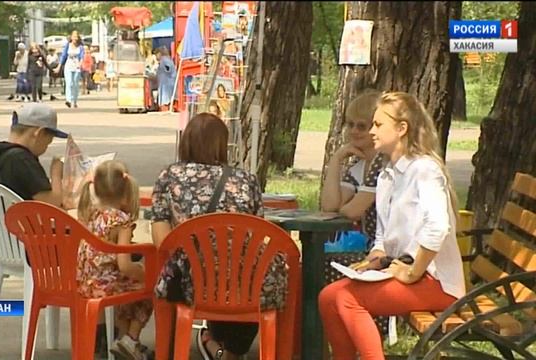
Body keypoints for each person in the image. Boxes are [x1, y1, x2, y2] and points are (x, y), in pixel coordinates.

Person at [318, 92, 465, 360]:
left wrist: (411, 272)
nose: (372, 131)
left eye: (377, 125)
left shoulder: (424, 169)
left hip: (436, 282)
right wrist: (374, 260)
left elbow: (438, 227)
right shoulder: (387, 174)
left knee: (349, 299)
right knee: (329, 296)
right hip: (405, 272)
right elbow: (382, 237)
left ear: (401, 129)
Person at [151, 113, 288, 360]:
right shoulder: (247, 179)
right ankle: (224, 350)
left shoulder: (169, 177)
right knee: (240, 275)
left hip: (195, 284)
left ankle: (213, 345)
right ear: (223, 144)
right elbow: (257, 231)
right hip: (249, 286)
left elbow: (162, 241)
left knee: (207, 271)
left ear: (186, 142)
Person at [76, 160, 152, 360]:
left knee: (130, 285)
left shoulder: (89, 213)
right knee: (151, 287)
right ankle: (131, 338)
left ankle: (123, 340)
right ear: (126, 192)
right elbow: (125, 265)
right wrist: (144, 274)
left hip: (85, 283)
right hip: (105, 285)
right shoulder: (121, 220)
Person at [0, 103, 68, 256]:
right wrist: (57, 173)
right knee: (90, 242)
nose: (47, 146)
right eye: (48, 140)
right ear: (38, 133)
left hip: (4, 243)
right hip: (30, 246)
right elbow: (52, 203)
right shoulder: (22, 160)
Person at [320, 89, 387, 248]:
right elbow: (330, 207)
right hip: (373, 246)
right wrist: (336, 159)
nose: (354, 131)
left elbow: (352, 211)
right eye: (350, 125)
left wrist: (343, 209)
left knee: (324, 264)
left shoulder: (383, 163)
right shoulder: (359, 167)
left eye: (361, 126)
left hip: (389, 250)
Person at [54, 30, 84, 108]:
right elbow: (63, 56)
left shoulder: (80, 47)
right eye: (73, 36)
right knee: (69, 83)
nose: (75, 38)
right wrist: (58, 67)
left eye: (76, 37)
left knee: (75, 84)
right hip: (68, 65)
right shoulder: (68, 45)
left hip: (77, 66)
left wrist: (80, 64)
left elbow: (81, 57)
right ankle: (68, 100)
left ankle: (74, 101)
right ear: (71, 37)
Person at [155, 47, 176, 111]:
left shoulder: (164, 60)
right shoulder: (168, 59)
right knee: (169, 96)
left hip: (166, 82)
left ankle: (166, 108)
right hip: (168, 82)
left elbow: (168, 68)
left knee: (166, 97)